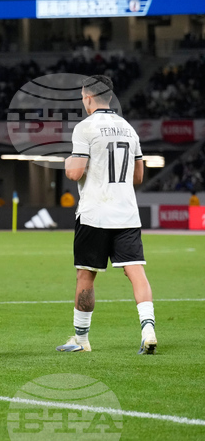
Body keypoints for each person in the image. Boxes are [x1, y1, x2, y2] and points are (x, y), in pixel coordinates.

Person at [58, 75, 157, 355]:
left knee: (86, 276)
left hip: (95, 214)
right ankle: (148, 330)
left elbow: (75, 172)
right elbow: (137, 176)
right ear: (110, 97)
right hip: (126, 212)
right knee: (136, 271)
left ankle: (81, 338)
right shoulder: (129, 129)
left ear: (87, 97)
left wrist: (69, 164)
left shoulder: (85, 128)